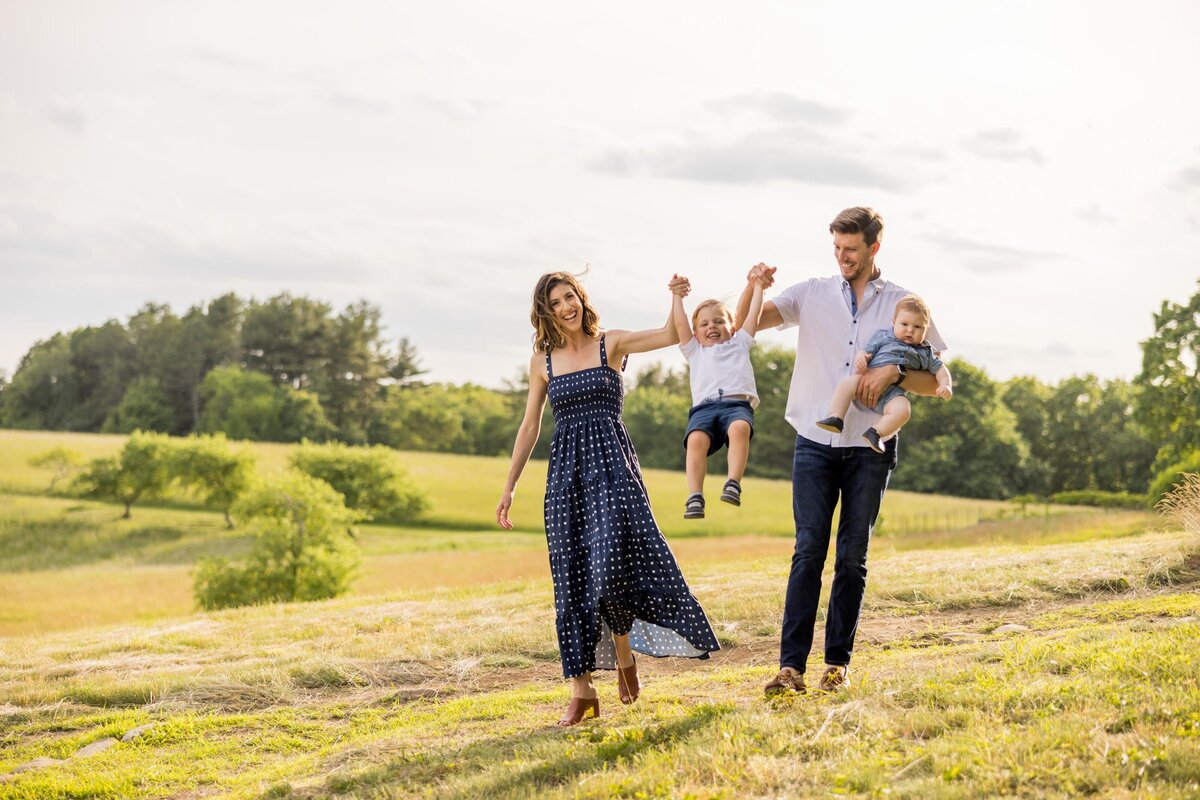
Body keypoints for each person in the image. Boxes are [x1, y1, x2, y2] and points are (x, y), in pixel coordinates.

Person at [734, 207, 948, 696]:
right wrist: (755, 285)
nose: (842, 257)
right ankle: (790, 669)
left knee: (852, 557)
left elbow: (934, 383)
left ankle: (837, 665)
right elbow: (747, 324)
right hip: (814, 440)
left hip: (870, 448)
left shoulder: (904, 304)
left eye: (850, 249)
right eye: (836, 248)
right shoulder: (811, 293)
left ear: (874, 248)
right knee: (808, 551)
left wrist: (891, 374)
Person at [497, 271, 720, 726]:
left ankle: (624, 654)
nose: (566, 307)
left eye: (571, 296)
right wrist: (510, 484)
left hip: (613, 468)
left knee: (611, 566)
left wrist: (677, 298)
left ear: (582, 299)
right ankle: (582, 691)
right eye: (556, 302)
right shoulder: (542, 359)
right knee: (572, 578)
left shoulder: (610, 344)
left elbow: (669, 334)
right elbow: (530, 425)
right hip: (566, 476)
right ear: (546, 311)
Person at [670, 276, 765, 519]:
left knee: (740, 428)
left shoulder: (740, 343)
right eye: (704, 324)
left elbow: (754, 315)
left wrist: (758, 288)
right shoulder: (694, 352)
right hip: (704, 409)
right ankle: (694, 496)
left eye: (719, 321)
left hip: (736, 405)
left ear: (732, 327)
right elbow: (680, 325)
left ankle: (733, 483)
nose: (711, 326)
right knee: (695, 440)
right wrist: (677, 297)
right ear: (696, 333)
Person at [816, 293, 953, 453]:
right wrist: (862, 357)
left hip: (892, 396)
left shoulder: (925, 352)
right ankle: (836, 417)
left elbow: (941, 370)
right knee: (847, 383)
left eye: (917, 327)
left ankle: (875, 433)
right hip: (865, 382)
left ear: (926, 329)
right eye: (904, 324)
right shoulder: (884, 336)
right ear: (893, 321)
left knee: (904, 410)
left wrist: (946, 385)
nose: (910, 330)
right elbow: (866, 351)